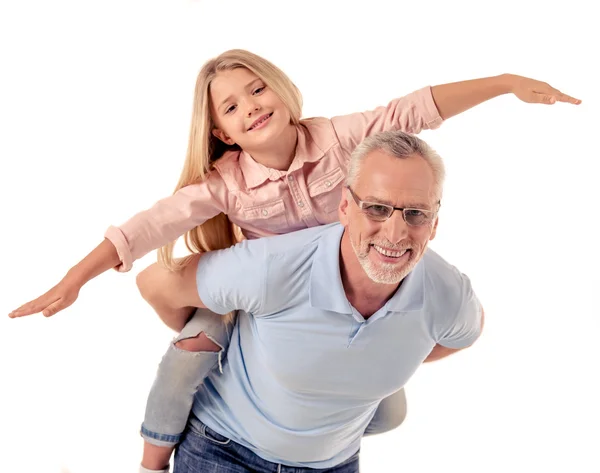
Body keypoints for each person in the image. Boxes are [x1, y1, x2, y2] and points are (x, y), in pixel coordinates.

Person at [7, 49, 580, 473]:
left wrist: (505, 83)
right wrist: (75, 279)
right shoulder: (225, 185)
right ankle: (150, 463)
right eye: (232, 106)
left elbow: (416, 109)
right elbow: (150, 226)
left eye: (257, 90)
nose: (251, 107)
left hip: (352, 286)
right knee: (187, 360)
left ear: (281, 88)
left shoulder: (338, 138)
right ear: (221, 132)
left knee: (389, 411)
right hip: (259, 299)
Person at [143, 129, 484, 472]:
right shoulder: (272, 268)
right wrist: (216, 328)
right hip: (224, 451)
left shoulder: (448, 295)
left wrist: (375, 357)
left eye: (416, 214)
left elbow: (467, 333)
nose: (395, 234)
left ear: (435, 222)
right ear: (345, 207)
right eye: (376, 209)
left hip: (333, 464)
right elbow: (153, 283)